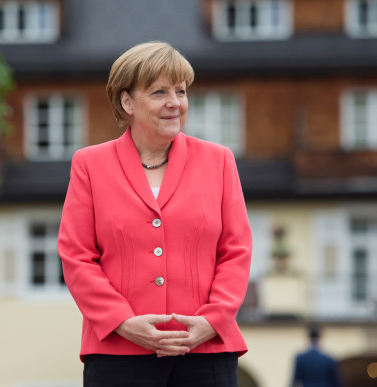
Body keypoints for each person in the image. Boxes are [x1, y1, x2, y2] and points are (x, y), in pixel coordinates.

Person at [58, 41, 252, 387]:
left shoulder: (219, 161)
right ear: (127, 101)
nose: (175, 103)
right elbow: (77, 256)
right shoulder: (89, 165)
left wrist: (214, 319)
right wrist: (121, 321)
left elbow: (236, 251)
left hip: (206, 353)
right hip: (118, 353)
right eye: (160, 92)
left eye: (181, 91)